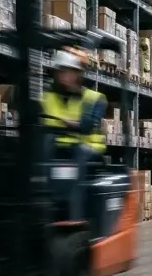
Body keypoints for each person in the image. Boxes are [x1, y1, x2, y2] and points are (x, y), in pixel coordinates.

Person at [41, 48, 108, 220]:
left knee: (77, 156)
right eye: (60, 72)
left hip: (89, 149)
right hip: (57, 146)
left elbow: (87, 126)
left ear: (78, 74)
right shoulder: (47, 96)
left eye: (68, 72)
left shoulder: (95, 98)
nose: (64, 77)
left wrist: (66, 123)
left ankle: (75, 217)